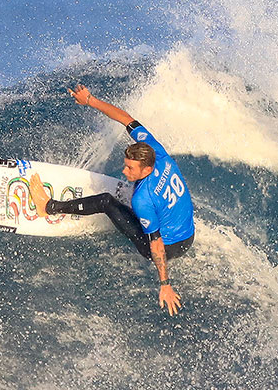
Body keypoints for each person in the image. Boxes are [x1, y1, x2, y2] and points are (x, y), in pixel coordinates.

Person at [29, 85, 195, 316]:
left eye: (130, 168)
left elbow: (155, 245)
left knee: (106, 201)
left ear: (146, 168)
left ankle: (49, 207)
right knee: (146, 203)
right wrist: (90, 100)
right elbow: (127, 119)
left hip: (168, 247)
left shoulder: (142, 199)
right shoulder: (158, 152)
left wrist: (165, 285)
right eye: (126, 164)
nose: (124, 171)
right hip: (188, 234)